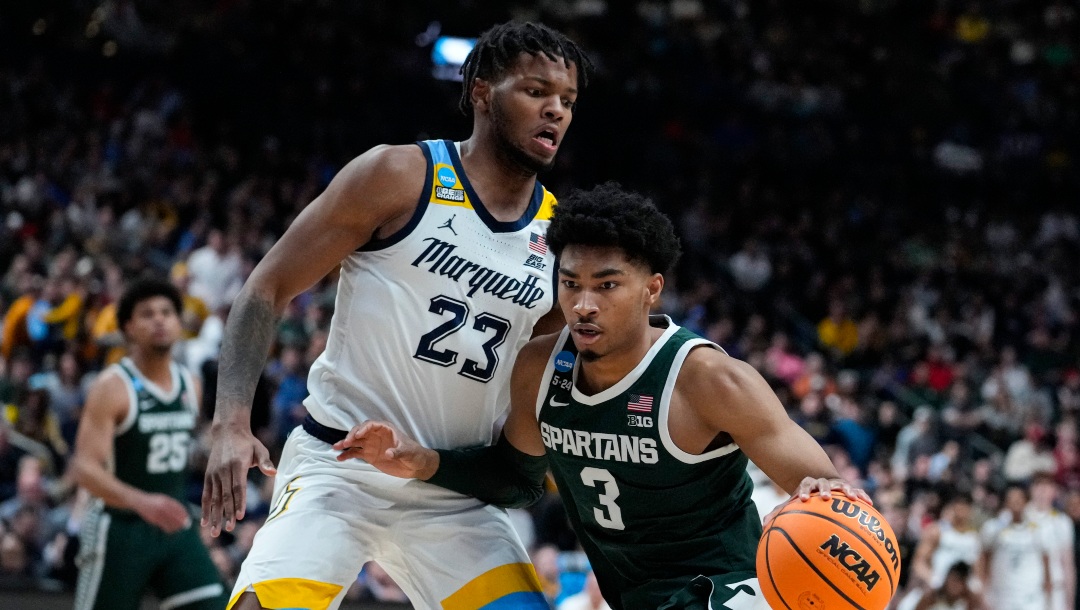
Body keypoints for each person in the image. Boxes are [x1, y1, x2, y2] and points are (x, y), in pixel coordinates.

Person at [200, 21, 593, 610]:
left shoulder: (561, 239)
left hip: (450, 488)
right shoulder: (399, 176)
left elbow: (532, 395)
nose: (555, 111)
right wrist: (231, 422)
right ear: (482, 93)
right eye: (536, 91)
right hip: (339, 468)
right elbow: (266, 287)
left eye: (567, 100)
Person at [336, 183, 871, 610]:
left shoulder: (708, 379)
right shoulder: (539, 367)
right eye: (571, 284)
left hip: (726, 591)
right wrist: (422, 460)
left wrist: (829, 492)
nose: (584, 304)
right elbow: (516, 480)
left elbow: (833, 499)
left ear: (652, 289)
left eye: (607, 285)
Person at [70, 279, 227, 610]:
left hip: (173, 522)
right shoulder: (112, 386)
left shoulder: (191, 384)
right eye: (147, 314)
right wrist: (141, 502)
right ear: (128, 327)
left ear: (179, 323)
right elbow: (84, 469)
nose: (159, 320)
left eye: (167, 312)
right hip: (119, 527)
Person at [979, 483, 1053, 610]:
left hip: (1031, 595)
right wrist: (983, 587)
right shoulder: (993, 529)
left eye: (1019, 498)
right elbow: (984, 558)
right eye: (1011, 499)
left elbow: (1045, 560)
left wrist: (1047, 585)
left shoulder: (1039, 530)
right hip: (1003, 595)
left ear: (1026, 501)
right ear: (1005, 503)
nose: (1016, 502)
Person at [1027, 473, 1076, 610]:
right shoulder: (1020, 518)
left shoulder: (1062, 522)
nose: (1042, 490)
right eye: (1038, 485)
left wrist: (1070, 601)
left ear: (1054, 491)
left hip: (1055, 588)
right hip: (1028, 588)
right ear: (1031, 490)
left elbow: (1067, 564)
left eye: (1047, 486)